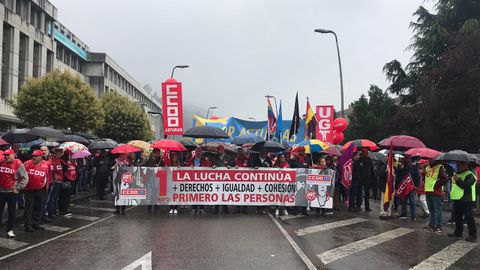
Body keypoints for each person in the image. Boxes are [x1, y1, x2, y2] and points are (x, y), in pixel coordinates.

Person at [0, 149, 28, 238]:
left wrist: (18, 188)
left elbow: (25, 178)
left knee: (11, 212)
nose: (6, 157)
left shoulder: (19, 164)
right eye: (5, 155)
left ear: (13, 155)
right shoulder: (1, 162)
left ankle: (9, 230)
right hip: (1, 191)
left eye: (8, 155)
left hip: (12, 192)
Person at [447, 161, 477, 242]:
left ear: (465, 165)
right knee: (457, 216)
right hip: (458, 198)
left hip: (467, 199)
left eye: (459, 165)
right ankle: (458, 232)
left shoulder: (470, 175)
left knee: (469, 217)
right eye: (457, 165)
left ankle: (473, 235)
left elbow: (465, 185)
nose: (457, 166)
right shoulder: (457, 174)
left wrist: (457, 179)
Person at [24, 150, 50, 232]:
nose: (34, 157)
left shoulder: (46, 164)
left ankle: (36, 223)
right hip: (28, 189)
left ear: (40, 157)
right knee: (29, 207)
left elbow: (48, 175)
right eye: (33, 156)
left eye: (36, 156)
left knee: (38, 206)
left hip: (40, 189)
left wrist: (47, 186)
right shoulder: (27, 163)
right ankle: (28, 225)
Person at [424, 160, 448, 233]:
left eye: (430, 159)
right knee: (431, 209)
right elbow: (427, 179)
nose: (429, 160)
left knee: (437, 210)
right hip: (428, 190)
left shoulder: (439, 167)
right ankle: (432, 224)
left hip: (436, 192)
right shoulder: (427, 168)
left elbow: (445, 179)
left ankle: (438, 226)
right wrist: (422, 174)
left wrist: (435, 185)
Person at [214, 145, 234, 214]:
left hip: (226, 179)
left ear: (223, 150)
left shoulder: (228, 157)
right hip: (217, 178)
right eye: (218, 150)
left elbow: (232, 164)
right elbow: (212, 163)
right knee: (217, 192)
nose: (219, 151)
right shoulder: (216, 157)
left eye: (219, 150)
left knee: (224, 193)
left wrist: (230, 166)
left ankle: (225, 207)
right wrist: (213, 166)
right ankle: (216, 208)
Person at [47, 148, 65, 219]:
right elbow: (51, 170)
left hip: (59, 181)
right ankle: (51, 212)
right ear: (55, 152)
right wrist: (54, 176)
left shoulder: (59, 160)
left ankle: (54, 211)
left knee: (56, 197)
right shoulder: (52, 159)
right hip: (54, 181)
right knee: (52, 197)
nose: (60, 153)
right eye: (59, 152)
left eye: (61, 152)